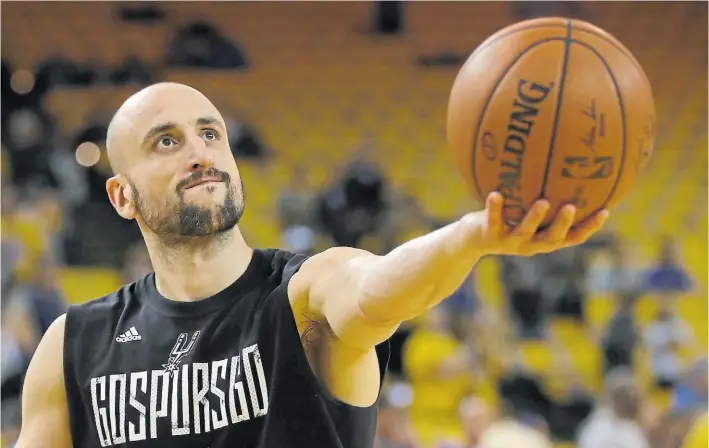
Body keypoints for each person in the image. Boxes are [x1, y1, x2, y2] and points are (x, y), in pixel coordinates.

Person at [15, 82, 608, 448]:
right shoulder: (74, 343)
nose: (200, 154)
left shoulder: (304, 293)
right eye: (166, 142)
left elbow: (379, 289)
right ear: (121, 196)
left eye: (211, 135)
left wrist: (470, 237)